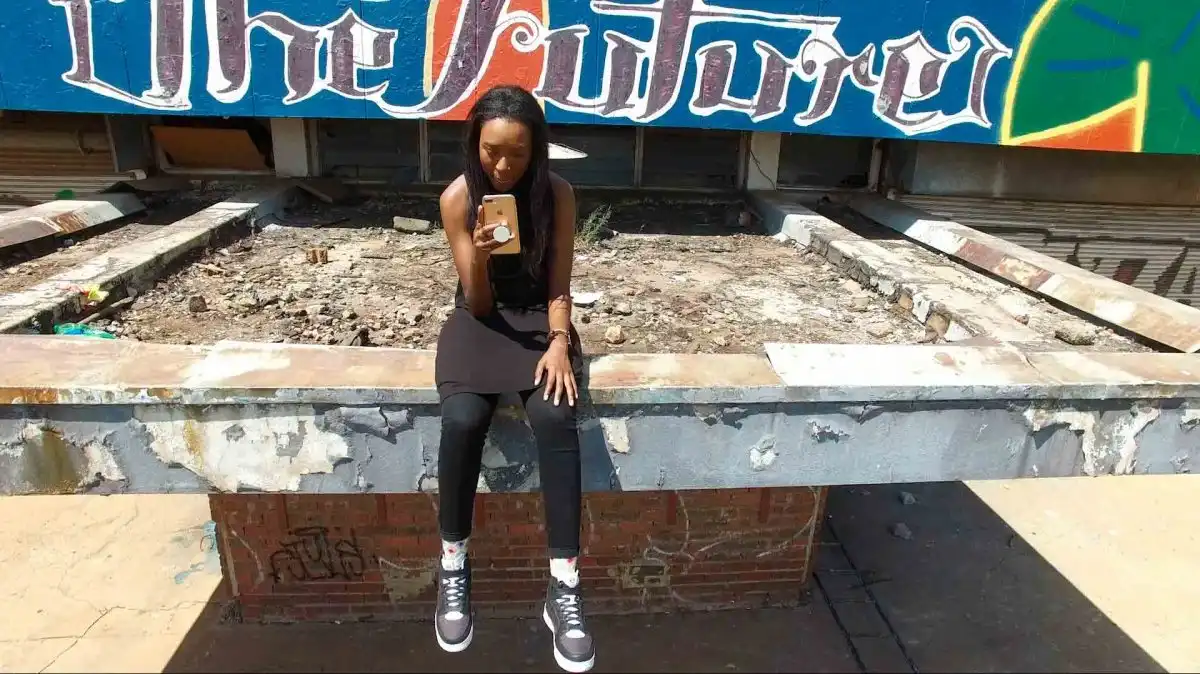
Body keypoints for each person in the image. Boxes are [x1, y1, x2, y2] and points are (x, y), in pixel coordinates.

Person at [431, 84, 594, 673]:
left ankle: (564, 585)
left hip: (538, 321)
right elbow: (476, 305)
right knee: (464, 417)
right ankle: (453, 566)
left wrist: (558, 344)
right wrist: (476, 254)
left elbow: (559, 282)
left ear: (537, 150)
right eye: (491, 151)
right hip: (479, 321)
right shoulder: (456, 198)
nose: (502, 165)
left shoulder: (558, 194)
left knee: (554, 414)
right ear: (474, 144)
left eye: (517, 153)